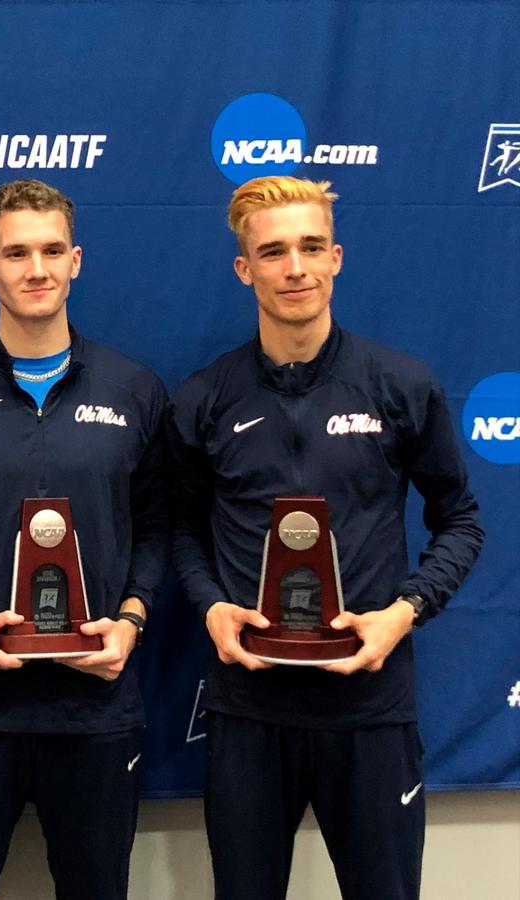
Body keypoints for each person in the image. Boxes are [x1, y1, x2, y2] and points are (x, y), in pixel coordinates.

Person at [165, 175, 484, 900]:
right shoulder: (203, 398)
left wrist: (401, 615)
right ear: (245, 268)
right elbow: (183, 532)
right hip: (249, 709)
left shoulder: (401, 384)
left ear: (337, 256)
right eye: (273, 252)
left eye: (311, 247)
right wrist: (213, 608)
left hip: (370, 705)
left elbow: (460, 519)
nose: (296, 268)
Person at [0, 179, 169, 899]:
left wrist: (130, 618)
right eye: (16, 252)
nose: (37, 268)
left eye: (52, 250)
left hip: (95, 709)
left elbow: (154, 528)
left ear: (77, 260)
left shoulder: (132, 390)